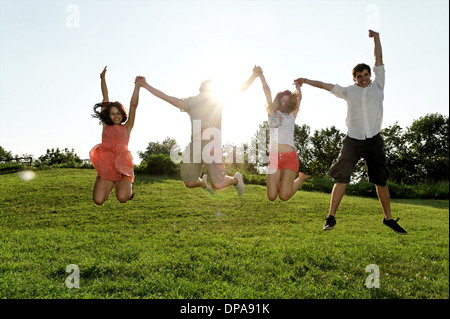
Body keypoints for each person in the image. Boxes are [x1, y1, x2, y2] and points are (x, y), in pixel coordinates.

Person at [294, 30, 407, 234]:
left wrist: (377, 38)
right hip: (352, 141)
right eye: (359, 76)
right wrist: (306, 80)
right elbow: (324, 86)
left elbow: (378, 58)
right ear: (354, 78)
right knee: (342, 178)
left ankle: (388, 219)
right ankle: (330, 217)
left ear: (370, 76)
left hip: (374, 140)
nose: (363, 78)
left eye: (366, 75)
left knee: (381, 181)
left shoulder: (378, 86)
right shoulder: (348, 91)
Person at [135, 69, 260, 195]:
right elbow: (168, 98)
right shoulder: (192, 102)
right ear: (201, 89)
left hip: (212, 145)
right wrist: (146, 85)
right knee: (189, 182)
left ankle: (235, 180)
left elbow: (239, 91)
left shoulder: (218, 101)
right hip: (195, 145)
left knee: (217, 184)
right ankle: (205, 184)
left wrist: (253, 76)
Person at [253, 66, 311, 201]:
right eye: (282, 101)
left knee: (284, 196)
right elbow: (267, 92)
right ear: (278, 101)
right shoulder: (271, 113)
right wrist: (261, 76)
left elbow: (299, 98)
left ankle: (301, 178)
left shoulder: (291, 115)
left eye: (287, 101)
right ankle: (281, 181)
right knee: (272, 196)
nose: (284, 104)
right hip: (274, 158)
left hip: (290, 157)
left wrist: (298, 86)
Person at [90, 66, 141, 205]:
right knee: (98, 200)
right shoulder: (106, 125)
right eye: (112, 114)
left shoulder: (127, 127)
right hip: (107, 165)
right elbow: (105, 97)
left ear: (122, 114)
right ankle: (109, 185)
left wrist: (137, 87)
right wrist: (102, 79)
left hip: (123, 165)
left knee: (122, 198)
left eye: (118, 113)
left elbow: (133, 106)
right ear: (109, 115)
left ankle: (127, 188)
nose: (116, 116)